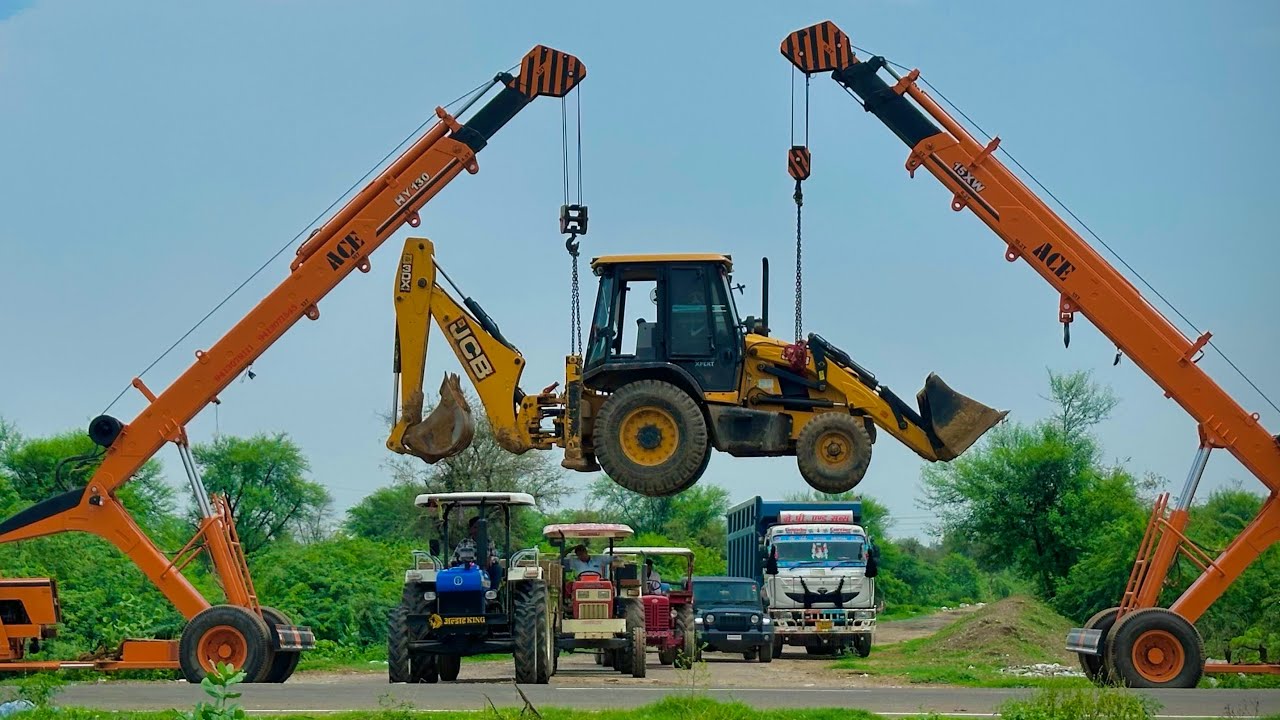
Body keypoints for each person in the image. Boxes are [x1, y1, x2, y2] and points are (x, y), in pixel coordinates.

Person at [452, 515, 501, 585]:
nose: (478, 530)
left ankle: (492, 592)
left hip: (484, 569)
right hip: (466, 570)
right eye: (475, 527)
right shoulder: (464, 542)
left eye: (480, 527)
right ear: (471, 529)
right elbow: (454, 559)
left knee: (497, 568)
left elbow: (496, 557)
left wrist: (491, 559)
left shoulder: (488, 541)